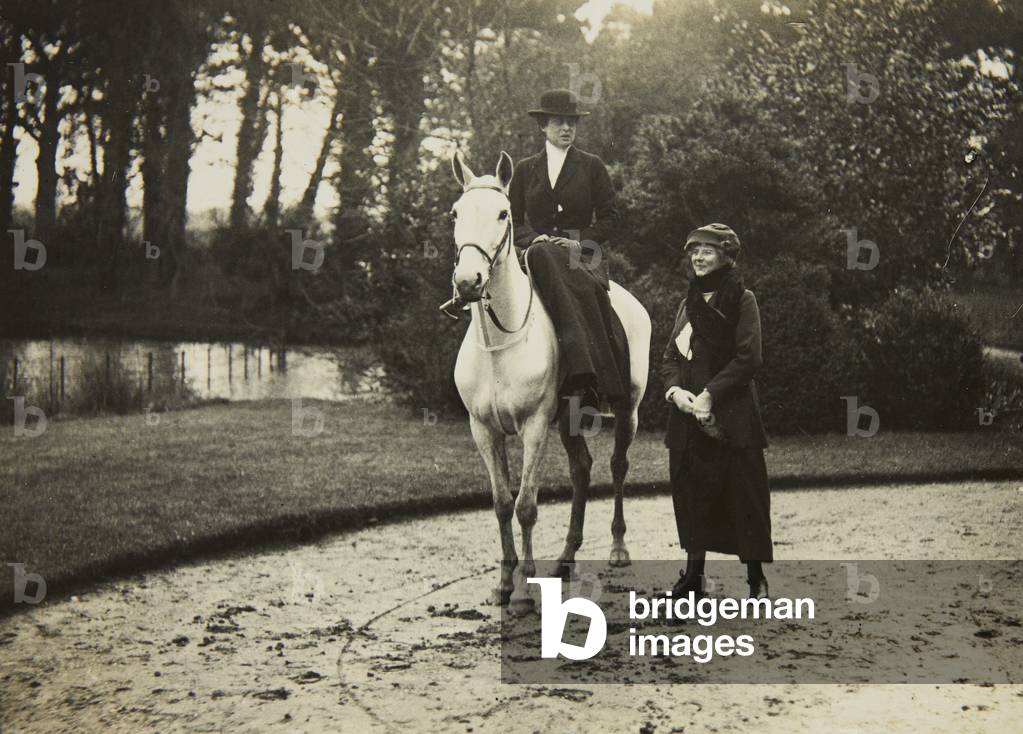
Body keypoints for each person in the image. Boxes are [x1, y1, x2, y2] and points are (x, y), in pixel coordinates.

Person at [661, 223, 772, 600]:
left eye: (707, 251)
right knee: (692, 496)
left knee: (744, 497)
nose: (698, 257)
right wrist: (675, 392)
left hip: (732, 417)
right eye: (694, 251)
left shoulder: (743, 300)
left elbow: (749, 358)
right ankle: (693, 579)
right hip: (687, 417)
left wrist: (710, 394)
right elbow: (670, 357)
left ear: (725, 256)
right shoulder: (685, 304)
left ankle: (756, 580)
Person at [508, 89, 630, 412]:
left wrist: (580, 241)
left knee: (552, 261)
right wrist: (532, 239)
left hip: (581, 254)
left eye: (572, 123)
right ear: (542, 127)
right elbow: (512, 219)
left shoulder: (591, 166)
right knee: (532, 262)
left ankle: (591, 378)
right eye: (560, 123)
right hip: (536, 253)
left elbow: (611, 217)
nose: (567, 129)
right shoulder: (523, 170)